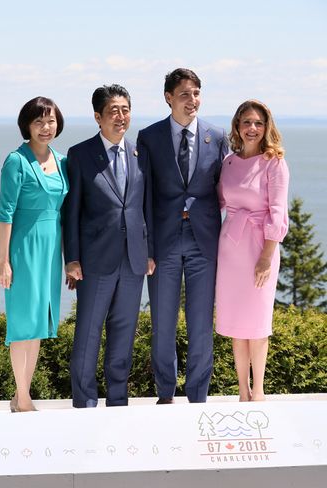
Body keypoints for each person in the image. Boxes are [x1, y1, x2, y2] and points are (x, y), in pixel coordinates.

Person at [137, 68, 228, 404]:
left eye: (197, 93)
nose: (193, 100)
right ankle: (165, 393)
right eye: (186, 94)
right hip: (164, 242)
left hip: (205, 241)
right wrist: (146, 245)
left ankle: (198, 395)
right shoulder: (149, 137)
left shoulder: (217, 137)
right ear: (168, 98)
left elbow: (226, 190)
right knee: (163, 322)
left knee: (201, 323)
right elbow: (143, 195)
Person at [63, 84, 155, 408]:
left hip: (133, 261)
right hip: (95, 261)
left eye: (125, 109)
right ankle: (85, 402)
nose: (121, 116)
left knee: (123, 334)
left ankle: (118, 401)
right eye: (113, 110)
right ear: (98, 117)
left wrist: (150, 253)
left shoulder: (140, 153)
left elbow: (147, 208)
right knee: (88, 334)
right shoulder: (79, 154)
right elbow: (71, 211)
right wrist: (71, 258)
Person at [0, 96, 68, 412]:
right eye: (38, 121)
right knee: (22, 323)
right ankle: (22, 396)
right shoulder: (16, 161)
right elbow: (6, 212)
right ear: (27, 125)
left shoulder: (63, 160)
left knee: (38, 323)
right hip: (24, 248)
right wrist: (3, 260)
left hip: (52, 248)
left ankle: (21, 394)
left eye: (50, 120)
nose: (45, 127)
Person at [215, 100, 289, 402]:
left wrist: (266, 257)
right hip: (230, 248)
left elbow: (278, 211)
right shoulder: (229, 163)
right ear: (237, 126)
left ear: (266, 127)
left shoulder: (275, 162)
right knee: (236, 323)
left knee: (257, 323)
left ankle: (258, 391)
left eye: (258, 123)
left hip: (260, 247)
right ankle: (242, 391)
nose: (252, 129)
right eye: (246, 122)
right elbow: (218, 201)